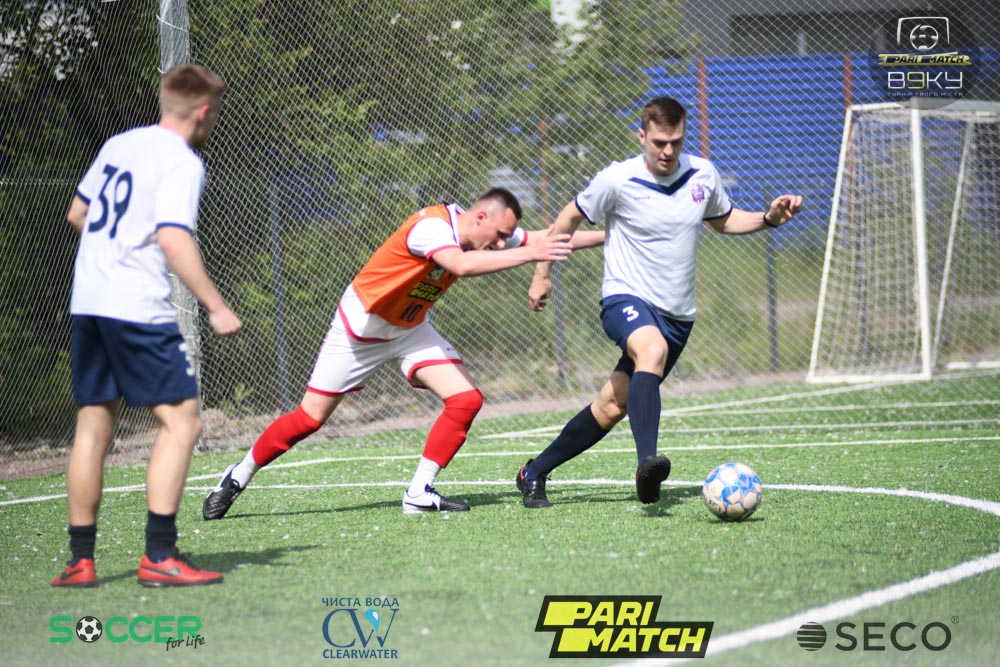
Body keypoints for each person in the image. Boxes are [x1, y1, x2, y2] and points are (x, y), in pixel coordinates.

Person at [203, 189, 603, 519]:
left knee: (466, 399)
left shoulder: (483, 232)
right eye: (499, 235)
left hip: (410, 328)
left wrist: (613, 235)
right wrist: (529, 255)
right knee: (309, 419)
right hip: (361, 329)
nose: (502, 243)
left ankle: (419, 492)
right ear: (481, 216)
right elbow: (460, 265)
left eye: (506, 238)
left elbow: (546, 239)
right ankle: (237, 475)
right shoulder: (431, 227)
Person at [515, 95, 803, 508]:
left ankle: (534, 471)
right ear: (642, 136)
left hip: (678, 316)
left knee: (611, 406)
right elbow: (567, 220)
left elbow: (723, 220)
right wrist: (542, 273)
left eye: (676, 142)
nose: (668, 151)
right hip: (625, 297)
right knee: (651, 349)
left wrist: (769, 218)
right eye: (659, 142)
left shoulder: (702, 174)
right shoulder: (617, 179)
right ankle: (647, 465)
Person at [51, 64, 243, 588]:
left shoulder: (120, 144)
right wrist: (216, 306)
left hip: (88, 302)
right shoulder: (182, 160)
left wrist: (112, 253)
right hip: (135, 306)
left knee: (93, 428)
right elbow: (174, 237)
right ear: (203, 112)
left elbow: (76, 214)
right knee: (183, 424)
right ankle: (160, 553)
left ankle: (80, 561)